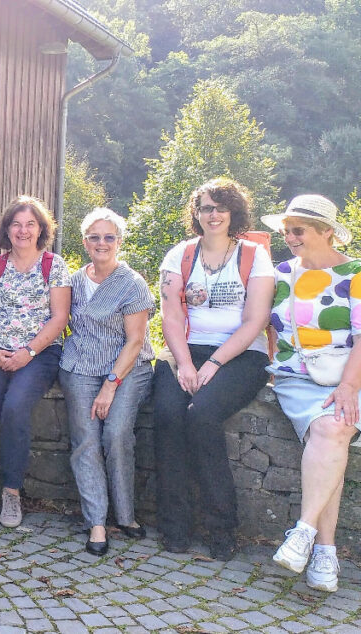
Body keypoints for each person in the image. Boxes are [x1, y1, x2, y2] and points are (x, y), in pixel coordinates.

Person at [153, 178, 274, 560]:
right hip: (187, 349)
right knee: (168, 414)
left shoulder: (255, 255)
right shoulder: (180, 255)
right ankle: (175, 526)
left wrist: (216, 363)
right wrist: (186, 365)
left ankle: (222, 527)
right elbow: (170, 316)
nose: (214, 214)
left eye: (221, 207)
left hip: (242, 355)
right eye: (206, 207)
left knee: (202, 415)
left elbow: (255, 320)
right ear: (197, 213)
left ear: (233, 212)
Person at [262, 195, 361, 593]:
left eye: (298, 229)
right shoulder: (279, 273)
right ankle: (323, 551)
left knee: (333, 430)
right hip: (296, 379)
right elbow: (265, 325)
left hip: (349, 375)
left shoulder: (355, 273)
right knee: (332, 433)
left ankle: (308, 537)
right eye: (286, 229)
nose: (290, 236)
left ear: (327, 233)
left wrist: (349, 386)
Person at [0, 195, 71, 531]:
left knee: (14, 408)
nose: (23, 230)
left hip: (39, 354)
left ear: (41, 229)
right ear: (7, 229)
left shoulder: (54, 265)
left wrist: (28, 351)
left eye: (30, 224)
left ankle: (11, 491)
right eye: (16, 224)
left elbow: (59, 317)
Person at [58, 208, 154, 556]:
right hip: (81, 365)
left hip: (125, 368)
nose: (102, 243)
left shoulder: (132, 283)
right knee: (85, 438)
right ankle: (96, 520)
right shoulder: (73, 280)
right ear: (85, 242)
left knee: (115, 432)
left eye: (109, 237)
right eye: (95, 237)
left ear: (119, 242)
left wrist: (110, 385)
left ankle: (126, 515)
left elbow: (134, 341)